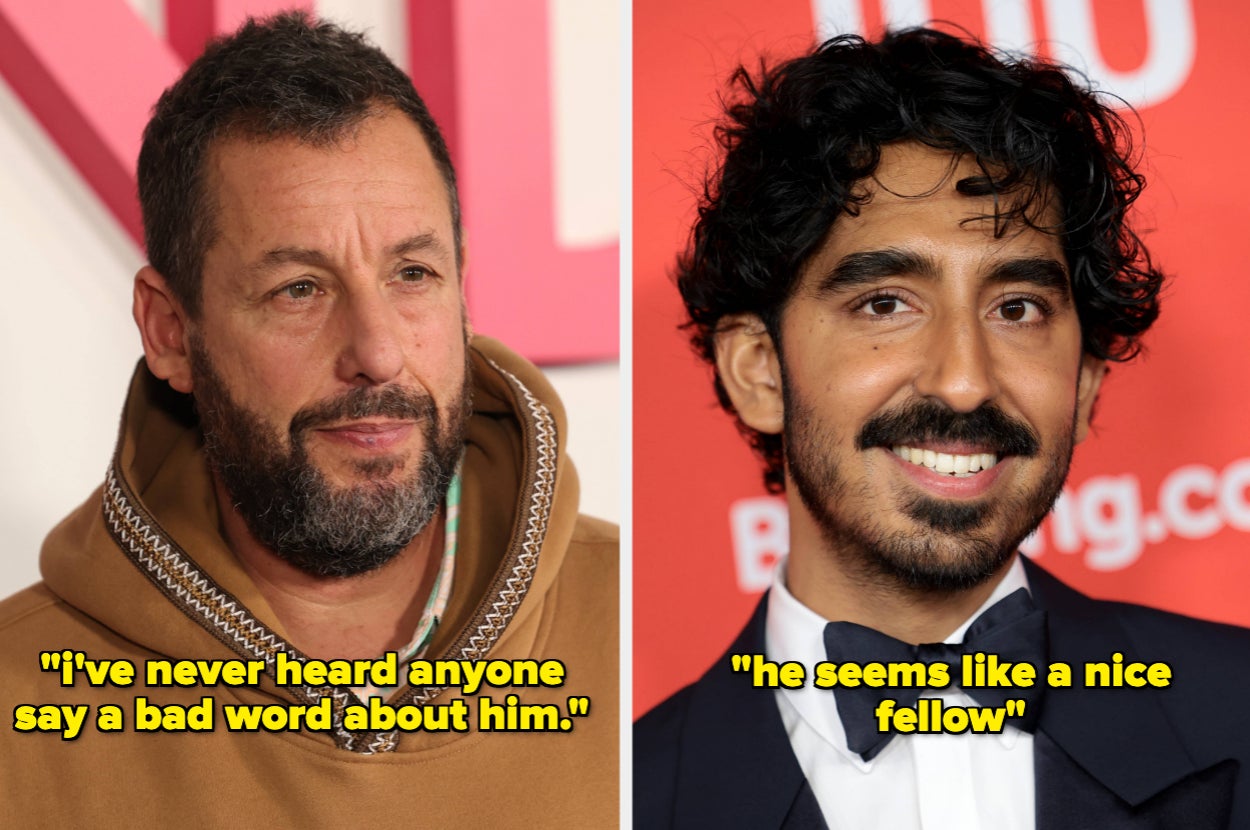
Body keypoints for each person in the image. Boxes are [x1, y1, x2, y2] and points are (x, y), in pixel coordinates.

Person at [0, 12, 616, 826]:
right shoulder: (19, 707)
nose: (378, 353)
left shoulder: (630, 624)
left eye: (412, 273)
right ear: (169, 332)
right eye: (300, 288)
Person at [635, 27, 1250, 830]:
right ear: (760, 371)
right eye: (885, 303)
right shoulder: (629, 798)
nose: (964, 381)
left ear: (1086, 387)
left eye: (1017, 308)